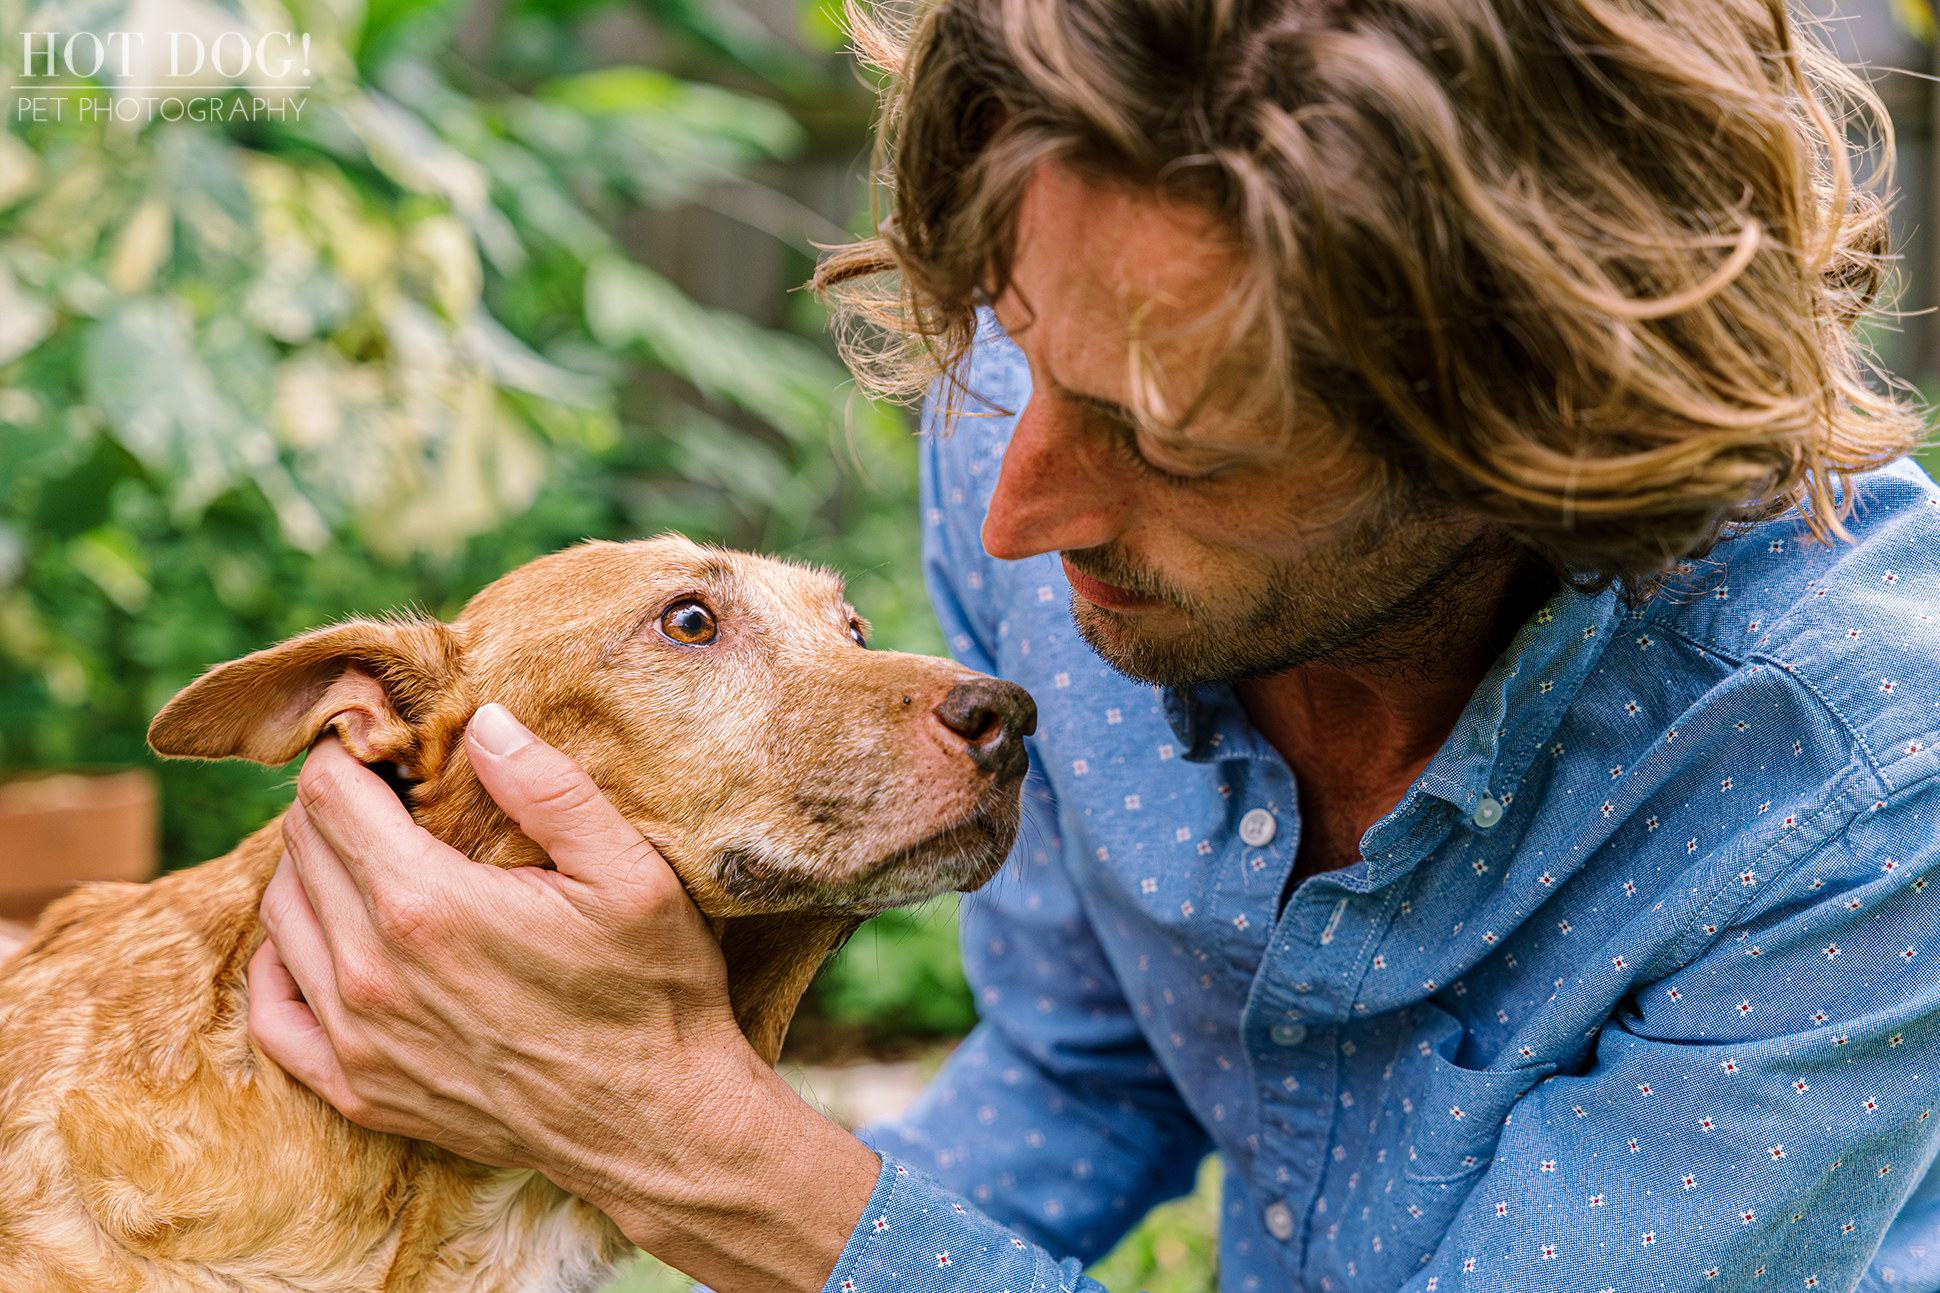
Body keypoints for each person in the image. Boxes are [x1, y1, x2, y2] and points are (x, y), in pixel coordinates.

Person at [247, 0, 1940, 1288]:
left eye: (1175, 440)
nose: (1016, 507)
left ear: (1528, 432)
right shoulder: (1019, 457)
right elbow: (1081, 1072)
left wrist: (690, 1140)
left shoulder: (1856, 780)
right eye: (1026, 344)